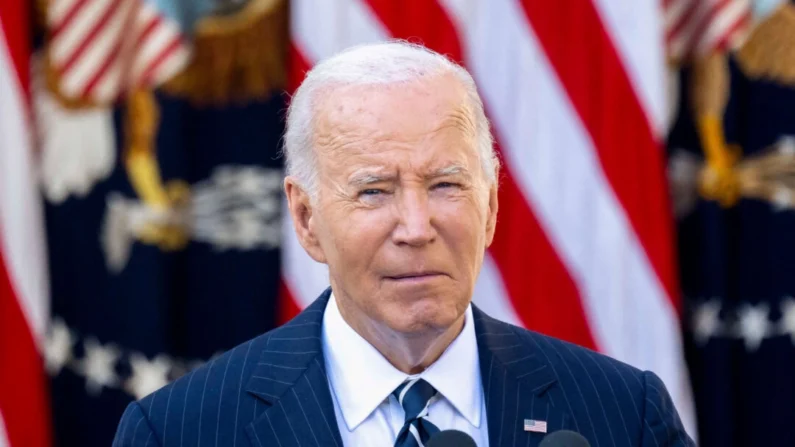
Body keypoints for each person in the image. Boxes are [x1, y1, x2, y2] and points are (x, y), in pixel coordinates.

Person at [112, 41, 695, 447]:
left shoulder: (623, 414)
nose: (416, 227)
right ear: (307, 218)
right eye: (374, 191)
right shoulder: (180, 431)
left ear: (490, 207)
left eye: (445, 185)